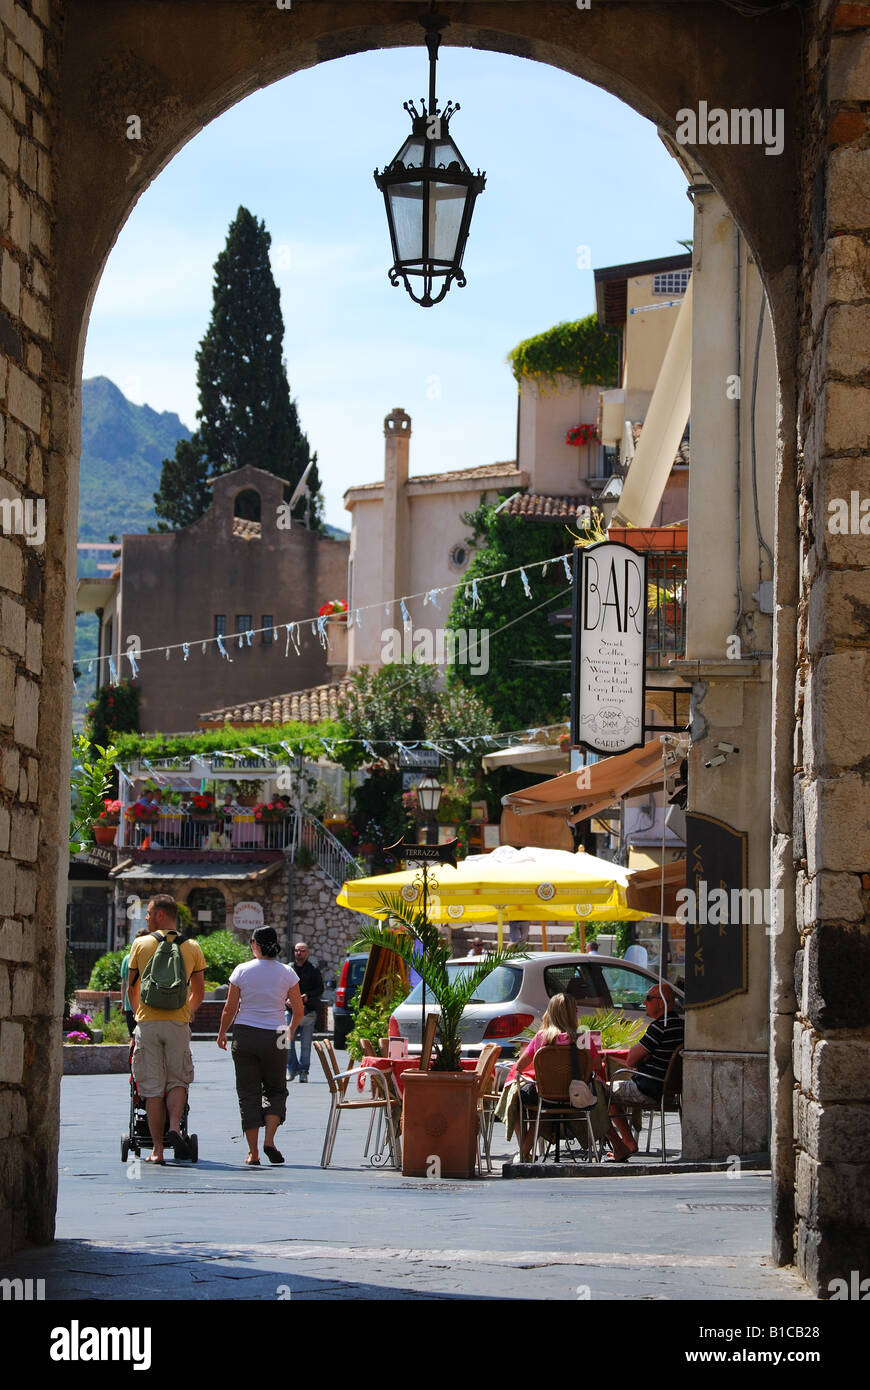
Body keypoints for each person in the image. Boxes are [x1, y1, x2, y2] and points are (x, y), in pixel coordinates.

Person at [126, 895, 206, 1164]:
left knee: (151, 1087)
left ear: (160, 915)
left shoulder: (140, 943)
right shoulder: (192, 946)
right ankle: (174, 1127)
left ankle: (157, 1151)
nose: (146, 917)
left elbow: (131, 989)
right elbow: (200, 993)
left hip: (147, 1023)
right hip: (177, 1023)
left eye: (148, 913)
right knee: (178, 1080)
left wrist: (139, 1016)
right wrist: (187, 1012)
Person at [217, 927, 304, 1166]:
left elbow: (230, 1008)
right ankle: (270, 1141)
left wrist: (222, 1032)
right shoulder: (287, 972)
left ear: (255, 944)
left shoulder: (242, 970)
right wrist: (290, 1030)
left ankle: (253, 1152)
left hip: (245, 1033)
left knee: (248, 1093)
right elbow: (298, 1010)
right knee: (276, 1089)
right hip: (276, 1033)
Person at [504, 993, 600, 1161]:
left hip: (545, 1096)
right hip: (575, 1096)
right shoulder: (584, 1038)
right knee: (544, 1106)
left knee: (517, 1097)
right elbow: (598, 1066)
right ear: (572, 1013)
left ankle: (524, 1150)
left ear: (551, 1012)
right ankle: (525, 1151)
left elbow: (519, 1066)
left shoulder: (542, 1038)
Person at [605, 980, 684, 1161]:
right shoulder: (680, 1026)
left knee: (601, 1091)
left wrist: (642, 1059)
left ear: (661, 1002)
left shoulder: (659, 1027)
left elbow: (631, 1059)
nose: (644, 1003)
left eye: (648, 998)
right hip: (671, 1091)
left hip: (649, 1088)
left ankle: (626, 1143)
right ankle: (628, 1140)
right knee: (612, 1087)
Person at [286, 941, 323, 1083]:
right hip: (290, 1010)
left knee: (306, 1044)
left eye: (302, 950)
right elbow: (281, 987)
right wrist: (286, 1000)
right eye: (296, 950)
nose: (299, 953)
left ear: (307, 953)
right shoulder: (288, 969)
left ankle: (303, 1071)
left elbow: (319, 989)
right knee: (286, 1040)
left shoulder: (313, 970)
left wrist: (307, 996)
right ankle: (291, 1068)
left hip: (308, 1011)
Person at [120, 926, 150, 1036]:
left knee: (133, 1038)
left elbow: (124, 984)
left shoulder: (128, 958)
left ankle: (132, 1053)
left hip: (130, 1004)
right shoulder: (152, 957)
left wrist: (123, 1003)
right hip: (146, 1005)